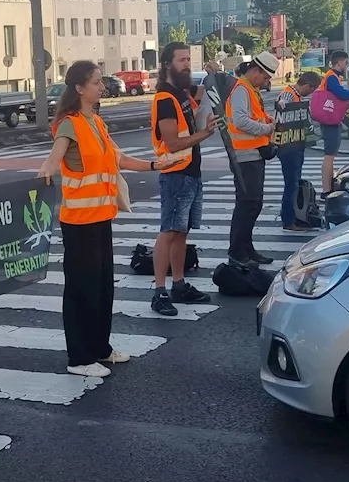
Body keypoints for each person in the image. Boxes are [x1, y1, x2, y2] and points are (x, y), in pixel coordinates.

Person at [38, 61, 177, 377]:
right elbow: (54, 159)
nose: (102, 87)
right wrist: (44, 172)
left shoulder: (96, 123)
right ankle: (79, 358)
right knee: (81, 289)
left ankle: (100, 347)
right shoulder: (69, 124)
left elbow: (120, 160)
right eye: (97, 82)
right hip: (78, 222)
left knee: (101, 287)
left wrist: (158, 165)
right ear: (79, 88)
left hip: (101, 217)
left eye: (101, 82)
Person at [150, 42, 221, 317]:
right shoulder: (165, 99)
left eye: (188, 59)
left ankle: (178, 284)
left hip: (190, 172)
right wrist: (205, 133)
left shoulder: (179, 92)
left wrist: (210, 73)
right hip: (175, 173)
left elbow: (198, 93)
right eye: (181, 60)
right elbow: (172, 142)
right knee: (169, 231)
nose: (186, 64)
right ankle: (159, 292)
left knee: (181, 232)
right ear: (167, 64)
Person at [225, 52, 281, 266]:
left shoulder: (250, 89)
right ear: (256, 71)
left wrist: (267, 120)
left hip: (253, 154)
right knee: (247, 204)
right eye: (266, 77)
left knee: (253, 204)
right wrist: (265, 128)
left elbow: (251, 117)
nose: (267, 82)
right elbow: (240, 121)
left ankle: (246, 248)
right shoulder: (242, 89)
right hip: (244, 156)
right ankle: (238, 252)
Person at [275, 71, 322, 232]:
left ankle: (292, 217)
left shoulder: (295, 96)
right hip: (289, 147)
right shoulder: (289, 95)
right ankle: (288, 221)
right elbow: (282, 102)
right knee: (291, 184)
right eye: (312, 90)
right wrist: (280, 104)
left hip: (295, 145)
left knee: (293, 183)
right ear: (308, 86)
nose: (311, 93)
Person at [318, 50, 349, 196]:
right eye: (345, 62)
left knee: (331, 153)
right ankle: (326, 190)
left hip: (330, 118)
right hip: (330, 119)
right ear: (339, 62)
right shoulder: (332, 77)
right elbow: (341, 94)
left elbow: (340, 93)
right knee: (329, 154)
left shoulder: (332, 77)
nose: (346, 66)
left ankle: (328, 187)